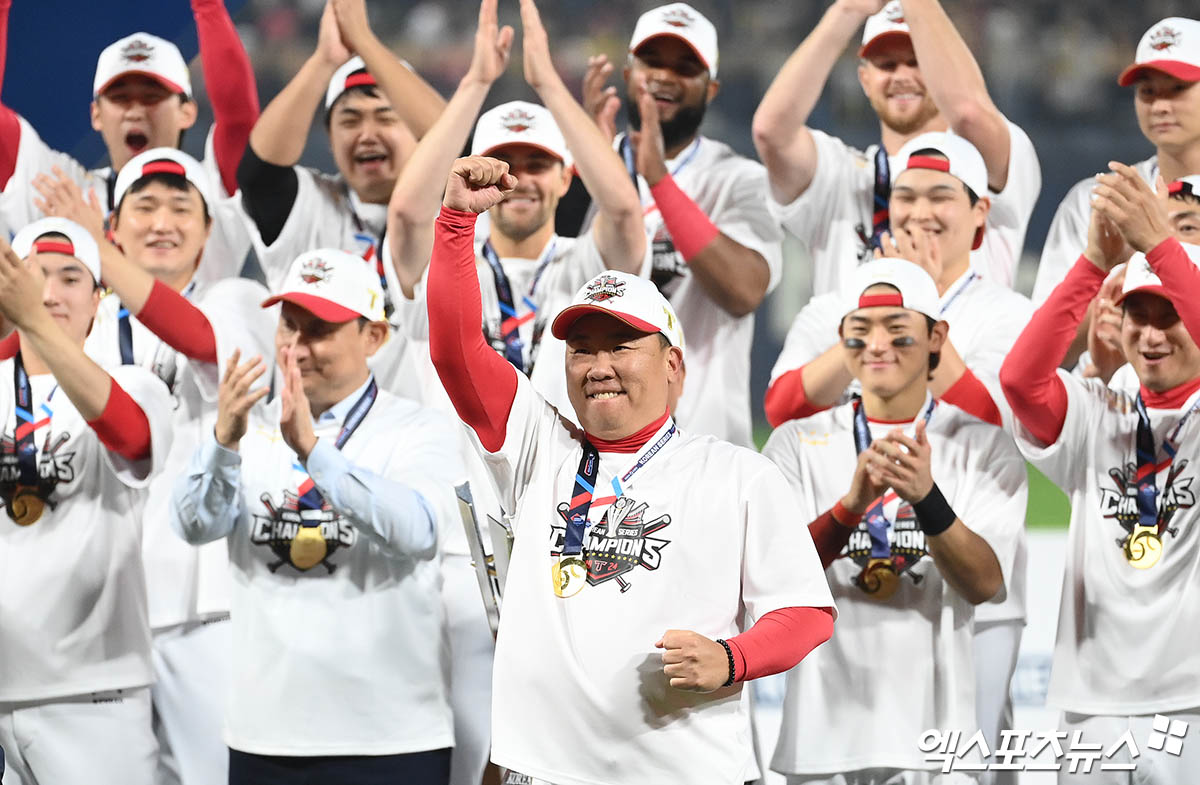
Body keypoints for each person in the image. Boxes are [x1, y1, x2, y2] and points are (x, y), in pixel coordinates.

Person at [427, 153, 835, 785]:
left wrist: (732, 659)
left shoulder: (736, 476)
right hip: (546, 775)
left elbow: (805, 613)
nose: (598, 365)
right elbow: (457, 353)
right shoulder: (540, 449)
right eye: (582, 349)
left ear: (673, 364)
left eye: (621, 346)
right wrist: (455, 222)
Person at [384, 2, 646, 781]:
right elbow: (406, 210)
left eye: (538, 163)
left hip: (560, 536)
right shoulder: (442, 261)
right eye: (503, 161)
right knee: (458, 755)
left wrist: (550, 90)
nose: (520, 177)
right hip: (445, 549)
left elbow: (627, 211)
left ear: (567, 175)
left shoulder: (589, 274)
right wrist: (472, 86)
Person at [170, 247, 462, 784]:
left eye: (319, 330)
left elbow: (420, 531)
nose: (296, 348)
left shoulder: (419, 429)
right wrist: (222, 442)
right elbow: (192, 525)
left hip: (391, 740)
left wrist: (312, 452)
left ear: (374, 336)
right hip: (264, 737)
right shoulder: (247, 430)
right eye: (289, 326)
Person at [32, 147, 275, 785]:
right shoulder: (79, 319)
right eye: (143, 206)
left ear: (209, 229)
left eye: (179, 207)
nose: (162, 221)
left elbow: (199, 340)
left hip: (207, 609)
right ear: (116, 222)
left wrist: (98, 249)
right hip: (99, 617)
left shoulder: (239, 299)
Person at [763, 257, 1025, 784]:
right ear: (841, 339)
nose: (877, 344)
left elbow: (986, 584)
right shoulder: (796, 442)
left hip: (937, 746)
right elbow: (775, 578)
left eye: (897, 330)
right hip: (820, 742)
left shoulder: (983, 446)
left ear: (937, 337)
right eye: (860, 331)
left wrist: (927, 498)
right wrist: (850, 507)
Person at [1001, 163, 1200, 784]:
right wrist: (1090, 264)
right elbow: (1021, 382)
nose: (1149, 334)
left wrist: (1163, 245)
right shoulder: (1098, 407)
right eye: (1138, 316)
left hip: (1190, 700)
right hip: (1091, 705)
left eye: (1167, 315)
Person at [0, 219, 173, 785]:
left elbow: (130, 436)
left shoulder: (133, 383)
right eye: (35, 277)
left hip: (93, 692)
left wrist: (32, 326)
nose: (49, 293)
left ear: (99, 299)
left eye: (71, 278)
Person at [581, 2, 784, 447]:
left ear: (711, 89)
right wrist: (588, 169)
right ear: (629, 70)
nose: (665, 76)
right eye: (653, 60)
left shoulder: (737, 180)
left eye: (686, 66)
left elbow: (744, 290)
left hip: (705, 450)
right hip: (596, 450)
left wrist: (658, 180)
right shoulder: (576, 175)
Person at [752, 0, 1039, 294]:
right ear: (864, 79)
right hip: (852, 339)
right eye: (887, 64)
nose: (902, 76)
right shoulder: (840, 176)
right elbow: (771, 132)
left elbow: (968, 112)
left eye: (917, 62)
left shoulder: (984, 161)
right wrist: (846, 11)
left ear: (944, 71)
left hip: (969, 339)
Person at [0, 0, 257, 286]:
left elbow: (238, 120)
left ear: (187, 112)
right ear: (96, 115)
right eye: (120, 98)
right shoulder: (63, 189)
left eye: (152, 97)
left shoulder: (211, 191)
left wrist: (208, 6)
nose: (135, 111)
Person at [237, 0, 445, 311]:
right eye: (350, 120)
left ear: (417, 133)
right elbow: (259, 174)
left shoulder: (455, 204)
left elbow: (455, 144)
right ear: (330, 140)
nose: (367, 134)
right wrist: (324, 60)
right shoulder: (311, 205)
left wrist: (365, 41)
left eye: (385, 117)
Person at [1033, 16, 1200, 313]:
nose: (1160, 106)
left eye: (1177, 88)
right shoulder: (1096, 201)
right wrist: (1108, 270)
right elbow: (1046, 343)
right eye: (1147, 91)